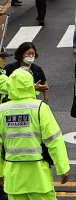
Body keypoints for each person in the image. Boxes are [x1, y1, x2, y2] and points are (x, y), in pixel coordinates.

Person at [0, 68, 70, 198]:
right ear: (30, 84)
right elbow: (54, 139)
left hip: (13, 178)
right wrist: (63, 168)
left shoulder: (2, 110)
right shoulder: (39, 107)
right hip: (38, 176)